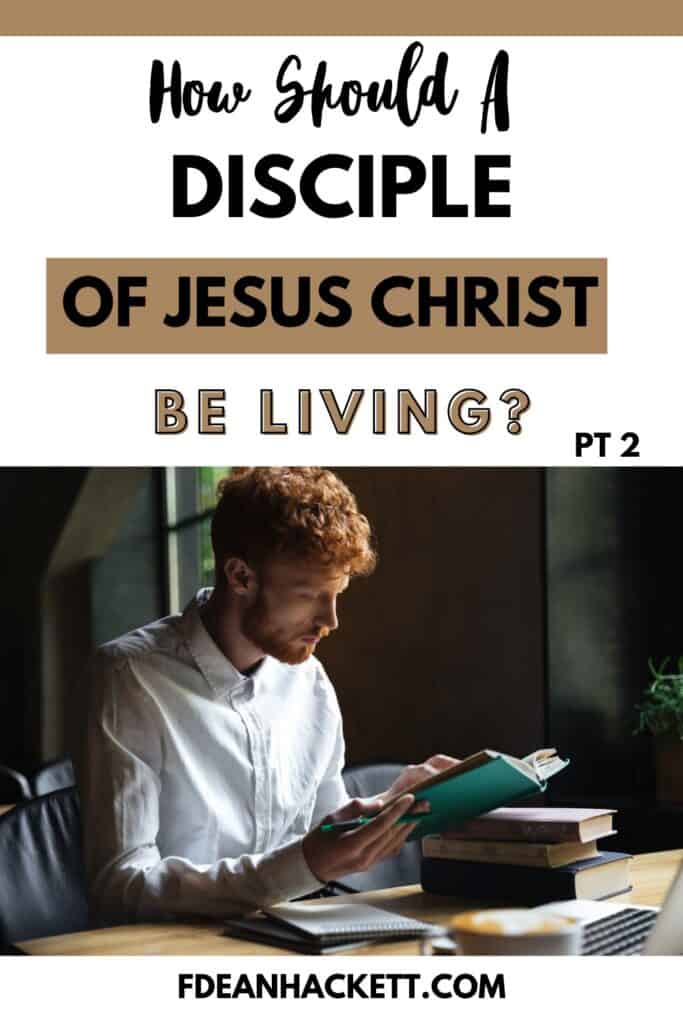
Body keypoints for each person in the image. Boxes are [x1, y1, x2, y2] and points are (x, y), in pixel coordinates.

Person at [77, 467, 456, 923]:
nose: (330, 620)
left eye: (337, 594)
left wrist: (389, 809)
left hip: (297, 947)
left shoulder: (310, 682)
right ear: (240, 576)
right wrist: (304, 865)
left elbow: (321, 848)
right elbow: (121, 887)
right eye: (310, 595)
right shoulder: (129, 676)